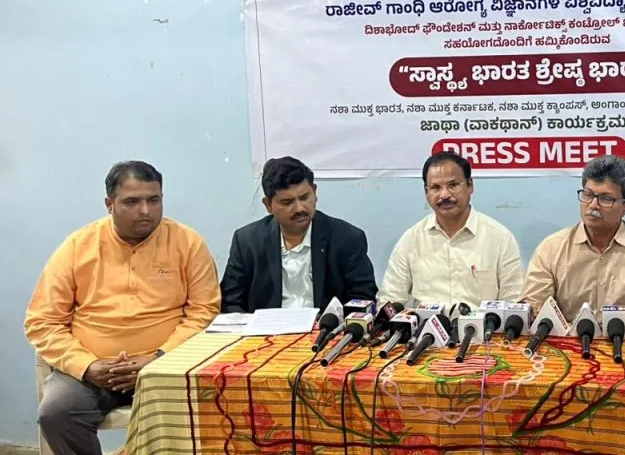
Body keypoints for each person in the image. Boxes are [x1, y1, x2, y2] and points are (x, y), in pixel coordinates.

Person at [25, 161, 221, 455]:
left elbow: (204, 311)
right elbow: (42, 321)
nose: (145, 210)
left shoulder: (188, 243)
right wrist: (87, 366)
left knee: (214, 403)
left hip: (167, 366)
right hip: (93, 370)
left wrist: (159, 358)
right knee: (57, 413)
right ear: (110, 204)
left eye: (153, 200)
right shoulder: (78, 246)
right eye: (132, 202)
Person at [520, 155, 625, 349]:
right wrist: (532, 311)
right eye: (588, 195)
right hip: (570, 346)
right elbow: (533, 302)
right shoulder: (552, 247)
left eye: (605, 198)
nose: (593, 205)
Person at [220, 156, 377, 313]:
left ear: (314, 192)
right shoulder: (247, 241)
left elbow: (363, 298)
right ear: (268, 205)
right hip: (267, 328)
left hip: (326, 327)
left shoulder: (347, 238)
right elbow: (231, 303)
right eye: (287, 202)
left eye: (304, 197)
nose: (299, 208)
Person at [377, 151, 524, 308]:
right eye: (435, 187)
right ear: (426, 192)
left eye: (453, 185)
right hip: (426, 323)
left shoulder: (500, 238)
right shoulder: (411, 240)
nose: (445, 195)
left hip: (484, 324)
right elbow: (389, 300)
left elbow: (514, 302)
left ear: (470, 185)